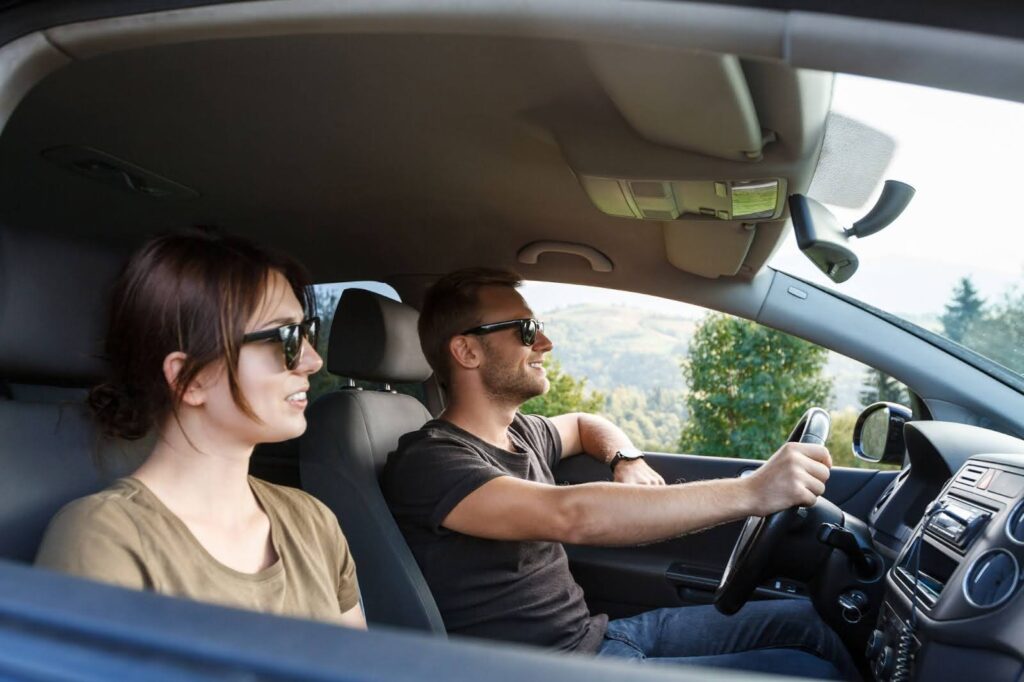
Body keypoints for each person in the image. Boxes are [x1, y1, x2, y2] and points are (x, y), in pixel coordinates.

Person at [382, 268, 858, 679]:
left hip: (600, 637)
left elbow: (586, 424)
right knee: (810, 674)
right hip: (549, 670)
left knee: (810, 622)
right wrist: (753, 491)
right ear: (467, 351)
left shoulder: (520, 432)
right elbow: (572, 515)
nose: (545, 342)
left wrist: (624, 459)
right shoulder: (430, 460)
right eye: (526, 330)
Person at [36, 232, 366, 629]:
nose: (312, 361)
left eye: (307, 332)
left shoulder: (313, 520)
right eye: (286, 338)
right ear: (190, 379)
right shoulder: (103, 539)